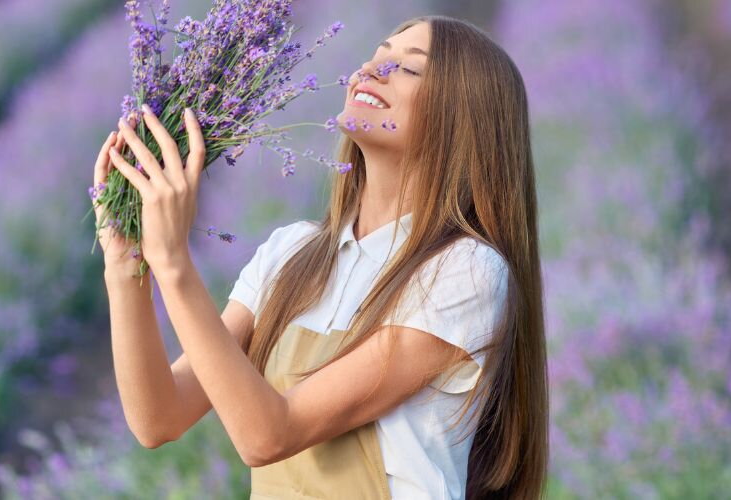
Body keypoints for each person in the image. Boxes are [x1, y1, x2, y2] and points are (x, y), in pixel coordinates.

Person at [93, 14, 547, 500]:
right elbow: (161, 418)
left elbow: (269, 435)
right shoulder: (291, 252)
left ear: (466, 117)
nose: (370, 70)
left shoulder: (465, 271)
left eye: (409, 69)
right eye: (377, 55)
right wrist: (126, 267)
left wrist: (173, 262)